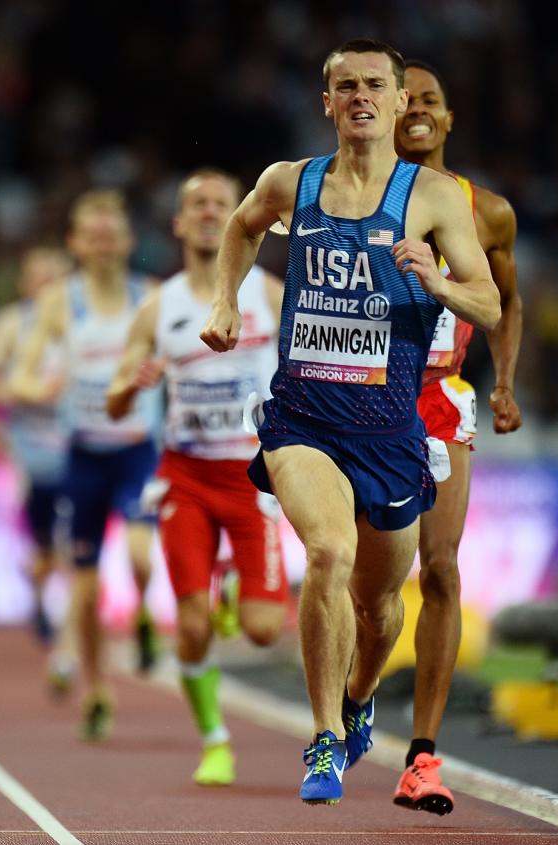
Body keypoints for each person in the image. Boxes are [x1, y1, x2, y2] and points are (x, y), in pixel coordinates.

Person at [200, 38, 500, 805]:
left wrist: (435, 277)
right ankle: (326, 736)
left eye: (375, 85)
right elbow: (239, 227)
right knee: (328, 553)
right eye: (345, 86)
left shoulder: (432, 198)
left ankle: (362, 696)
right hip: (303, 418)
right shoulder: (289, 183)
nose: (360, 96)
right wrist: (226, 300)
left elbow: (489, 303)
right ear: (326, 102)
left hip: (393, 432)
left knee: (380, 610)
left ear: (401, 103)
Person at [106, 168, 288, 787]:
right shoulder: (158, 306)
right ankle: (214, 740)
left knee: (264, 632)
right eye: (198, 205)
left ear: (241, 215)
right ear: (180, 224)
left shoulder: (269, 292)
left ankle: (236, 583)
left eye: (222, 203)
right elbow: (113, 398)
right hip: (184, 477)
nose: (212, 213)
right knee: (189, 624)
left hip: (252, 477)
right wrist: (130, 385)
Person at [390, 58, 525, 815]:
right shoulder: (360, 197)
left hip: (442, 396)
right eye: (399, 97)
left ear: (447, 120)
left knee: (439, 569)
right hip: (364, 396)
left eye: (428, 100)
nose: (413, 108)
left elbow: (507, 300)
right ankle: (346, 704)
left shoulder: (489, 211)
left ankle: (422, 756)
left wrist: (504, 380)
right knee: (359, 576)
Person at [12, 190, 162, 740]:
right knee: (85, 586)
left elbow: (176, 361)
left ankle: (145, 614)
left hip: (138, 450)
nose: (101, 244)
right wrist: (43, 388)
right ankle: (98, 689)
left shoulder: (149, 297)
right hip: (83, 456)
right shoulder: (59, 301)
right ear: (74, 243)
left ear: (128, 241)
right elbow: (21, 375)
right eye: (90, 235)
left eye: (111, 235)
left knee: (143, 557)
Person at [0, 245, 76, 690]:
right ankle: (38, 599)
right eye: (39, 276)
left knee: (75, 551)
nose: (48, 284)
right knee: (45, 552)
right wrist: (24, 396)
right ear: (24, 285)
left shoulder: (83, 319)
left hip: (79, 451)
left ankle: (67, 651)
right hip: (32, 457)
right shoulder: (12, 324)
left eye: (56, 275)